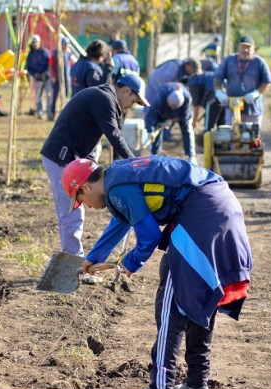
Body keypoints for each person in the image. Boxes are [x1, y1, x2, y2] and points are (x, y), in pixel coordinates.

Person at [62, 156, 252, 389]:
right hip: (221, 205)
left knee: (170, 305)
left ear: (85, 188)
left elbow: (149, 236)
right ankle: (196, 384)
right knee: (199, 295)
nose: (86, 206)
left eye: (80, 201)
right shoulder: (118, 175)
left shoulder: (117, 189)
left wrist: (130, 262)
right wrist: (95, 256)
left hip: (200, 216)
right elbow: (124, 218)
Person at [39, 73, 150, 256]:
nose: (131, 106)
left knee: (72, 212)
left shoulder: (104, 98)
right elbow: (114, 136)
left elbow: (91, 137)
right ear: (127, 90)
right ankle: (73, 263)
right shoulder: (103, 98)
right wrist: (135, 163)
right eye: (134, 101)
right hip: (61, 156)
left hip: (70, 156)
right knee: (72, 211)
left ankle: (72, 258)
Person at [213, 36, 271, 126]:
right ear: (238, 47)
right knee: (230, 135)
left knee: (251, 136)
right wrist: (219, 92)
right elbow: (217, 77)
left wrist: (256, 93)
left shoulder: (259, 62)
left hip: (252, 109)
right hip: (232, 106)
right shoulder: (229, 60)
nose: (245, 50)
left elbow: (267, 81)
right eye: (243, 47)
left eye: (248, 47)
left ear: (254, 48)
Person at [145, 82, 196, 165]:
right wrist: (150, 130)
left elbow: (185, 116)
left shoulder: (187, 99)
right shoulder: (159, 99)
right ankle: (154, 155)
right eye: (171, 106)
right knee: (156, 130)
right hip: (163, 113)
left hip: (180, 114)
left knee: (187, 129)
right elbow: (151, 115)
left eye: (174, 107)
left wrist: (173, 120)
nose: (172, 109)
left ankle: (191, 156)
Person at [25, 34, 52, 120]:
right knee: (38, 96)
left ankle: (49, 112)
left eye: (36, 42)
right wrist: (34, 74)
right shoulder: (30, 55)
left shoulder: (45, 52)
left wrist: (46, 73)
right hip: (37, 78)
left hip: (46, 78)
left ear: (40, 42)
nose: (35, 44)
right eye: (33, 43)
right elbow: (29, 67)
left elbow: (50, 64)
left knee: (48, 95)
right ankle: (40, 113)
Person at [49, 37, 75, 121]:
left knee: (66, 98)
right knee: (54, 97)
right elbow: (51, 65)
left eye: (67, 44)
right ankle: (52, 114)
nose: (66, 46)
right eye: (64, 44)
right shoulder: (55, 53)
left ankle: (65, 115)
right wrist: (52, 76)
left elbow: (71, 65)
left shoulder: (69, 54)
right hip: (57, 79)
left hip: (67, 79)